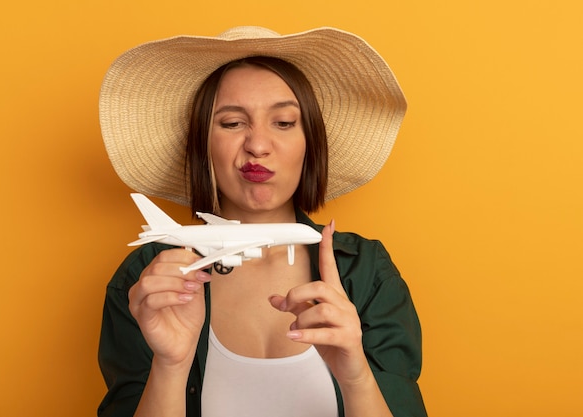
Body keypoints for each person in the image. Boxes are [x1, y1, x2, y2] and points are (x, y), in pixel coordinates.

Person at [97, 26, 427, 417]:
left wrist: (356, 378)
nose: (257, 144)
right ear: (202, 145)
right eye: (232, 123)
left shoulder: (367, 271)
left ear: (311, 143)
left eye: (284, 122)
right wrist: (170, 367)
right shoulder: (148, 282)